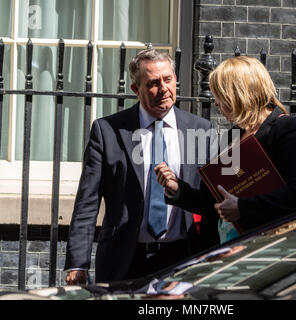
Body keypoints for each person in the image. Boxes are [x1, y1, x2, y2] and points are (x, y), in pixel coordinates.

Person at [64, 49, 219, 285]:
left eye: (168, 80)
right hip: (126, 260)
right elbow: (87, 201)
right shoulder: (108, 131)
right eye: (154, 83)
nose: (164, 88)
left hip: (185, 257)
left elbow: (212, 200)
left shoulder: (201, 130)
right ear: (136, 90)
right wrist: (78, 262)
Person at [155, 55, 296, 244]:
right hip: (231, 248)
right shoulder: (232, 136)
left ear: (238, 94)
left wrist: (243, 207)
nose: (215, 103)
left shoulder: (287, 129)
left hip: (272, 246)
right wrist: (177, 189)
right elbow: (213, 202)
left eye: (220, 96)